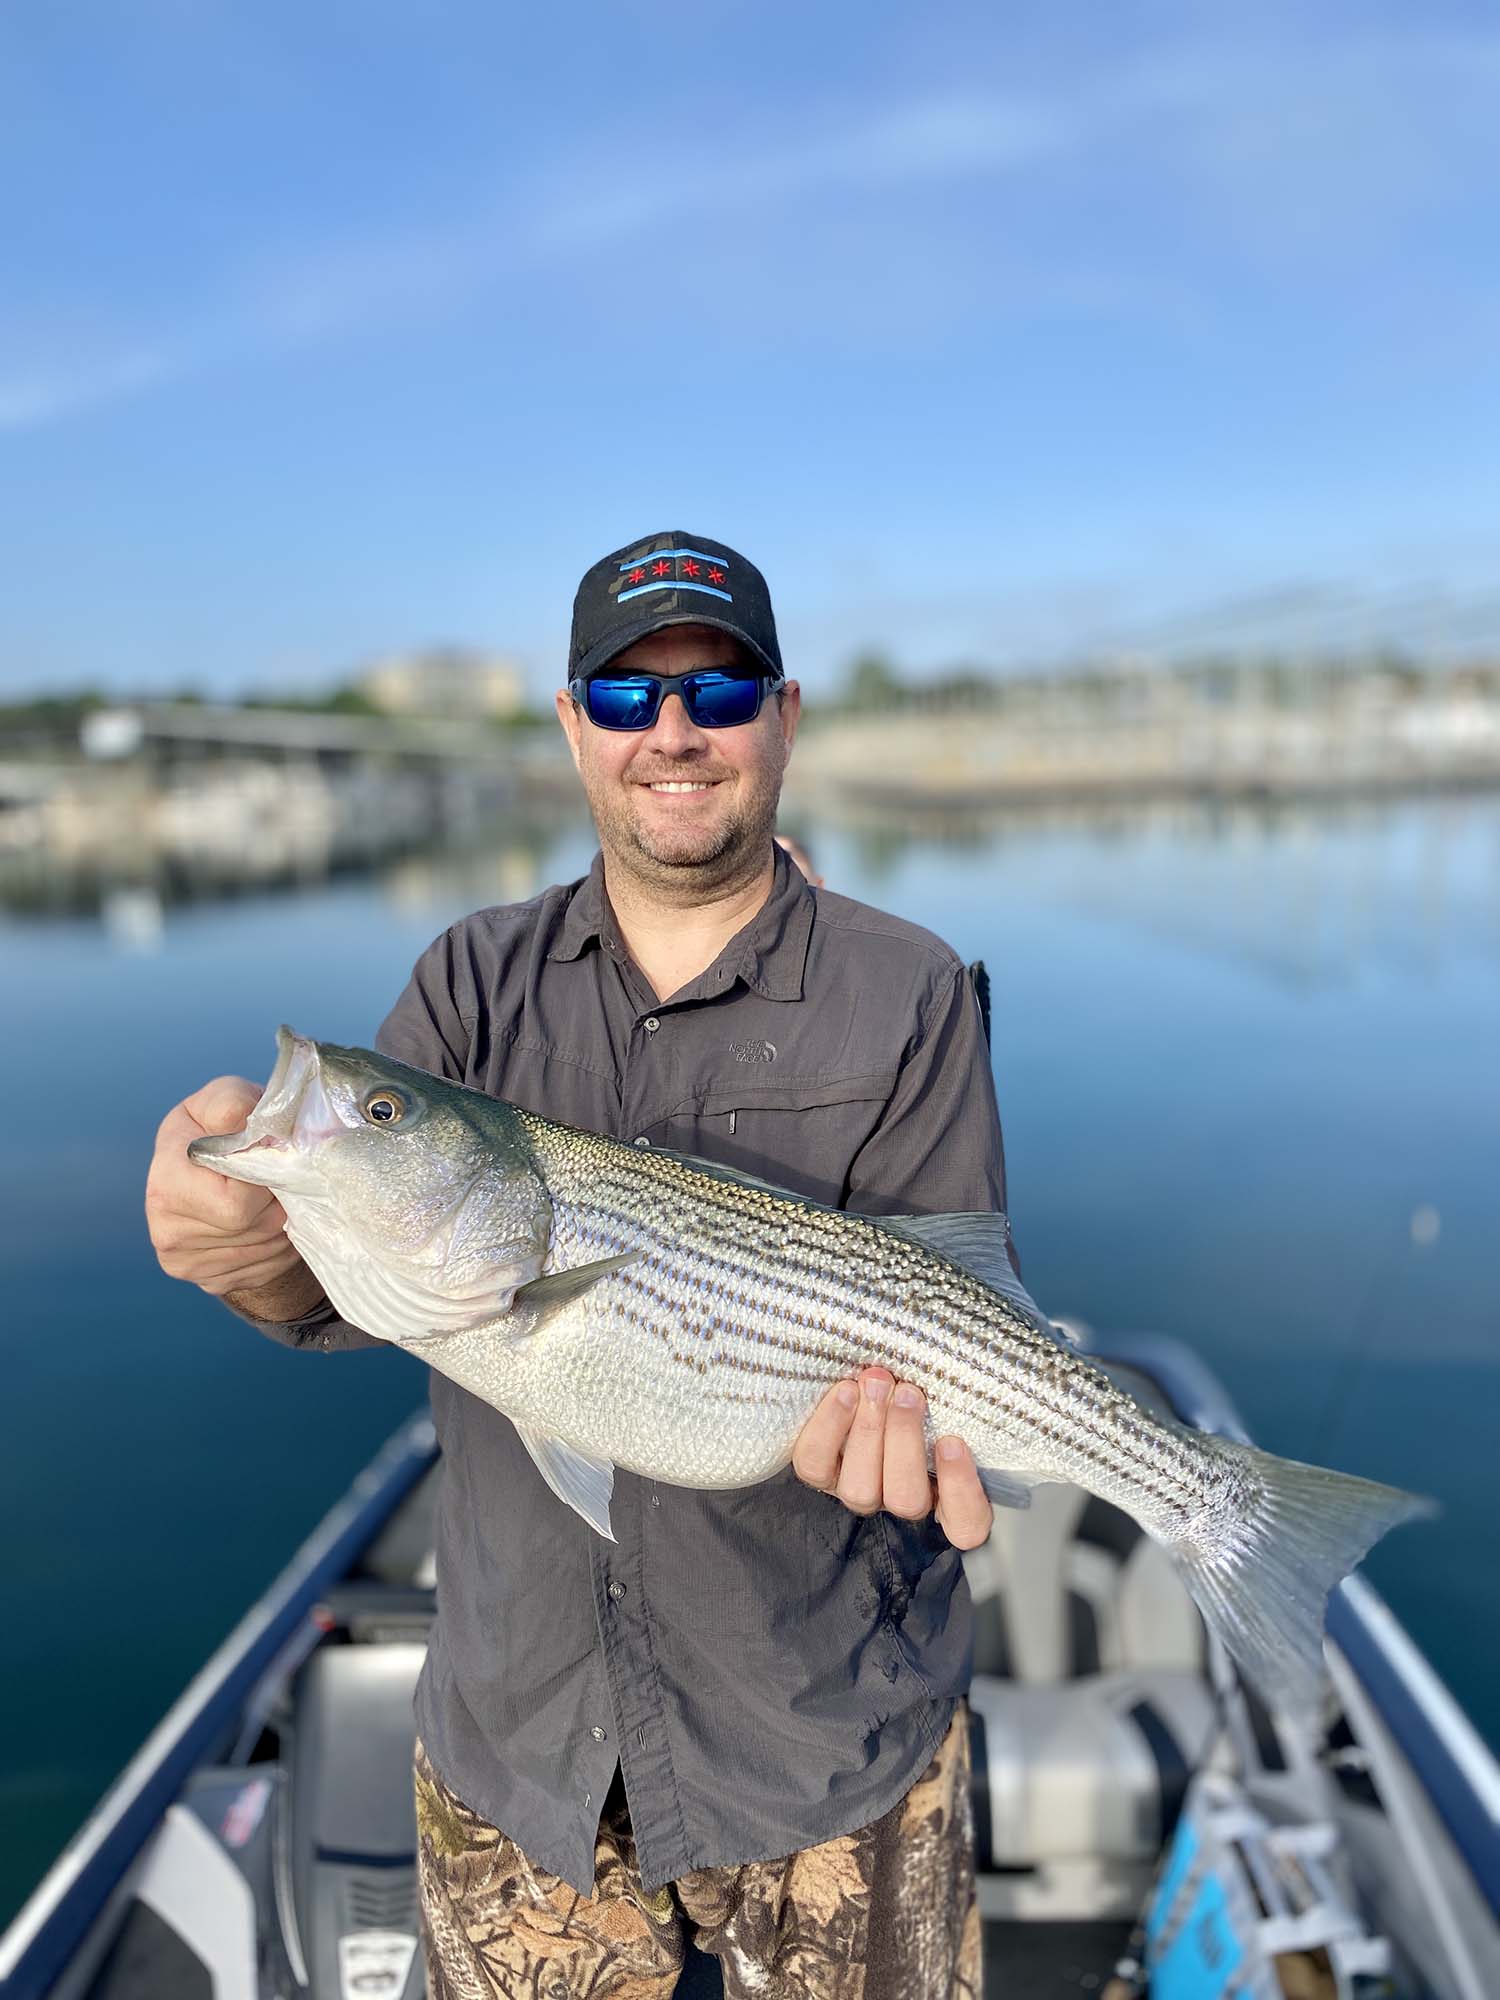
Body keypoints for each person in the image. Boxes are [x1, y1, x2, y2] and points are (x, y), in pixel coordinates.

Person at [145, 531, 1015, 2000]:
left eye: (717, 690)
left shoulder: (909, 987)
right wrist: (248, 1253)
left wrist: (936, 1435)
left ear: (784, 716)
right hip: (521, 1743)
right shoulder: (469, 982)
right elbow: (360, 1278)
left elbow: (956, 1298)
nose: (672, 735)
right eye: (624, 697)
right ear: (572, 727)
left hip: (827, 1733)